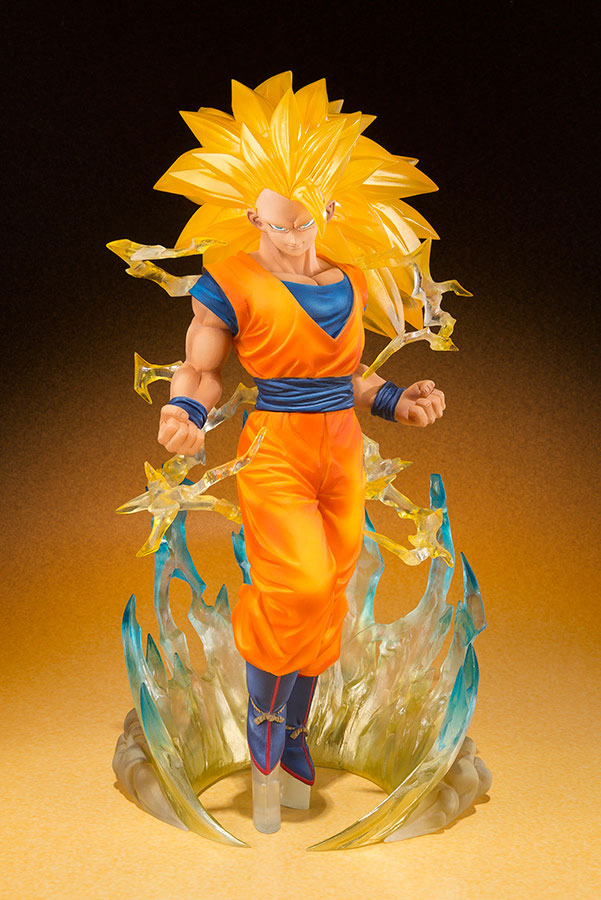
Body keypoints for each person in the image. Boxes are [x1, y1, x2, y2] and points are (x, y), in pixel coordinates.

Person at [153, 73, 446, 831]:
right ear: (251, 212)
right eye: (279, 220)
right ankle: (263, 720)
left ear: (330, 207)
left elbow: (348, 373)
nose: (294, 234)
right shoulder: (231, 281)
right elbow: (201, 366)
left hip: (341, 448)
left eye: (307, 217)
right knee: (300, 584)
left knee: (334, 588)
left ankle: (295, 732)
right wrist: (186, 411)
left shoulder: (347, 278)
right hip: (276, 446)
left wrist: (396, 401)